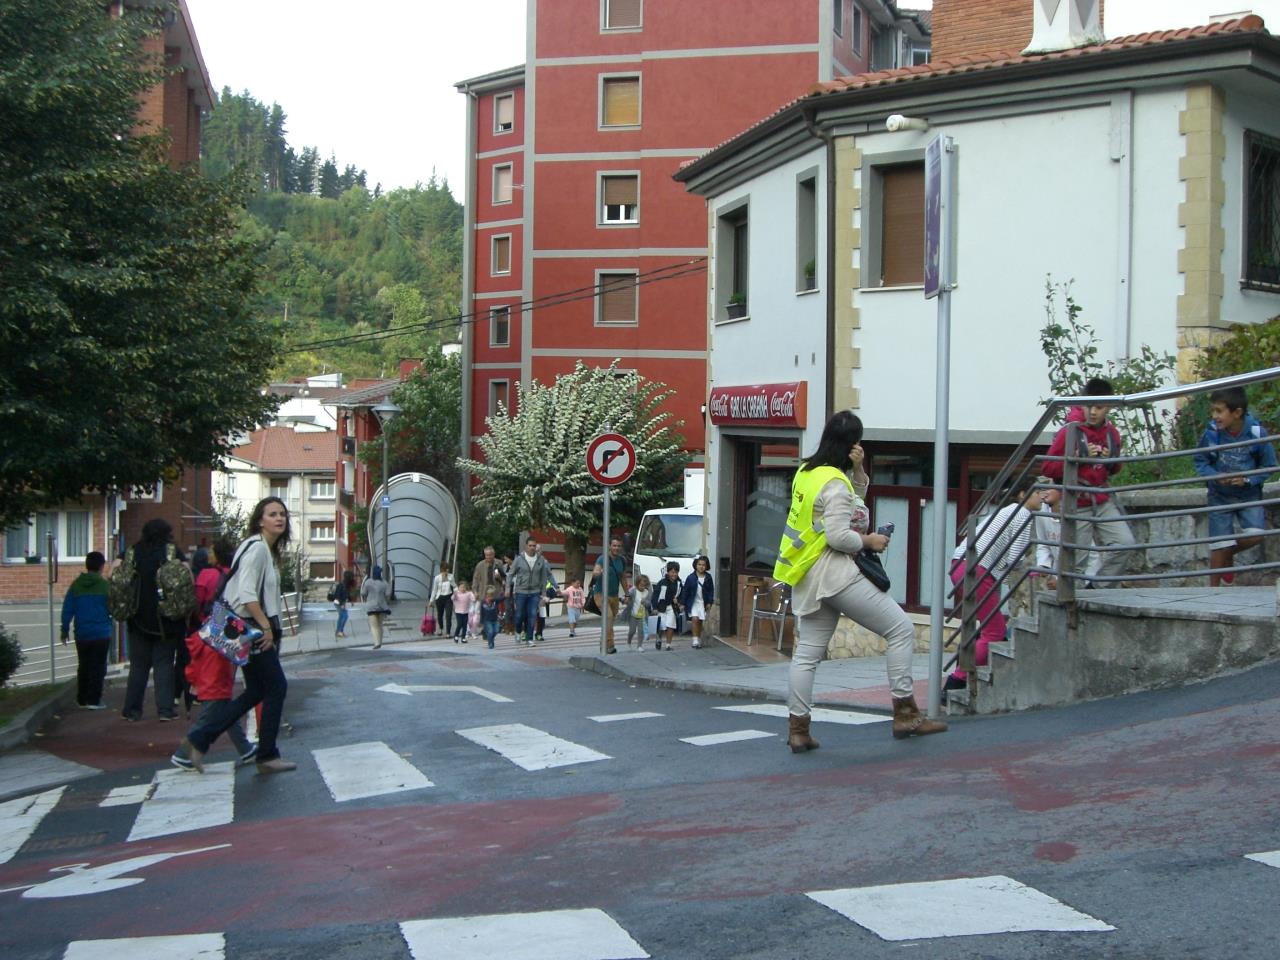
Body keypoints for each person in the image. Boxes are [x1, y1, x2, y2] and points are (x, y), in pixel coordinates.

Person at [775, 410, 946, 749]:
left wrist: (857, 472)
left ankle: (798, 731)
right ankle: (906, 714)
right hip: (835, 573)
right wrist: (869, 541)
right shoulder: (835, 484)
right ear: (852, 444)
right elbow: (840, 535)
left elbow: (846, 509)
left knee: (806, 655)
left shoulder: (806, 473)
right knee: (901, 629)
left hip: (806, 574)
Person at [178, 496, 296, 774]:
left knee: (256, 690)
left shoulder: (257, 546)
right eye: (272, 514)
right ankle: (266, 755)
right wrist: (265, 626)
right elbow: (246, 593)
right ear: (260, 520)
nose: (279, 518)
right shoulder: (258, 549)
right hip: (252, 629)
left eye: (282, 514)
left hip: (244, 626)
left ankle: (199, 739)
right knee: (276, 687)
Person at [943, 479, 1050, 694]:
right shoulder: (1022, 514)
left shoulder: (1006, 511)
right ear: (1022, 495)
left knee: (983, 628)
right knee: (995, 632)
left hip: (962, 564)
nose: (1042, 496)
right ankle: (957, 681)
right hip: (978, 570)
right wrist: (1028, 572)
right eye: (1037, 492)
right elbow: (1015, 557)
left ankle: (965, 677)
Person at [170, 535, 256, 770]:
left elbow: (197, 602)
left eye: (211, 551)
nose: (208, 554)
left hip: (211, 632)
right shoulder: (235, 574)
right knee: (219, 699)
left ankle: (241, 749)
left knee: (218, 699)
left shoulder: (207, 575)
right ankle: (189, 752)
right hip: (227, 633)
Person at [1040, 377, 1136, 587]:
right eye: (1088, 406)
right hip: (1077, 502)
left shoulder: (1112, 434)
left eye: (1098, 407)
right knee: (1076, 563)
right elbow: (1047, 468)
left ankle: (1095, 588)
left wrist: (1111, 459)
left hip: (1101, 499)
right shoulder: (1070, 431)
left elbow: (1114, 469)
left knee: (1125, 543)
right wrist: (1077, 457)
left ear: (1108, 408)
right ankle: (1070, 602)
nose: (1092, 412)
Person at [1193, 386, 1278, 586]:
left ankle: (1228, 554)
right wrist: (1215, 476)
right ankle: (1212, 591)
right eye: (1213, 411)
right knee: (1219, 544)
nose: (1214, 416)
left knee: (1256, 535)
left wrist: (1247, 479)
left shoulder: (1256, 433)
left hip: (1248, 495)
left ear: (1237, 412)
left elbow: (1269, 465)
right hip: (1219, 496)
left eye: (1219, 411)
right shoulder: (1212, 434)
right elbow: (1201, 461)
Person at [121, 518, 187, 722]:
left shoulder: (132, 552)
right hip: (166, 619)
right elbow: (188, 578)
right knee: (164, 664)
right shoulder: (172, 552)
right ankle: (165, 710)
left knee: (138, 666)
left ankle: (132, 710)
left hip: (137, 618)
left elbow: (114, 572)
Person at [59, 550, 113, 709]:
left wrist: (64, 630)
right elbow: (113, 607)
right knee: (98, 666)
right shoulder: (105, 586)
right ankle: (94, 700)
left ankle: (82, 698)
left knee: (83, 665)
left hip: (82, 633)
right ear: (102, 566)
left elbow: (67, 609)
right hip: (101, 632)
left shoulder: (76, 585)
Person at [508, 536, 558, 645]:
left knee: (532, 615)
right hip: (521, 591)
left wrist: (543, 593)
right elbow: (510, 574)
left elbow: (544, 577)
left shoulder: (541, 560)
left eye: (534, 546)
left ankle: (529, 638)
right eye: (530, 546)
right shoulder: (519, 559)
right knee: (519, 615)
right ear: (526, 546)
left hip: (535, 592)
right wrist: (508, 588)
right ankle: (518, 631)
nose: (532, 548)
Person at [591, 536, 627, 654]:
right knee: (609, 617)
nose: (616, 548)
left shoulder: (622, 560)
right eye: (614, 545)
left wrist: (627, 594)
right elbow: (595, 571)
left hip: (614, 595)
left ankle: (607, 644)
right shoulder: (602, 559)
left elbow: (622, 578)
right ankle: (606, 645)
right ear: (610, 546)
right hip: (600, 594)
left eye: (618, 546)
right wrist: (597, 573)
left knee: (610, 621)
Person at [680, 555, 715, 650]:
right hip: (693, 602)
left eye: (703, 565)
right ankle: (695, 640)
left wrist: (710, 602)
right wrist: (682, 603)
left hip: (703, 602)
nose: (701, 567)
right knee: (695, 619)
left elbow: (711, 590)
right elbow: (685, 591)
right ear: (696, 565)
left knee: (700, 621)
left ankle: (698, 638)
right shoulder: (690, 577)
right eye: (699, 564)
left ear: (706, 566)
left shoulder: (708, 577)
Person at [652, 562, 682, 651]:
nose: (674, 574)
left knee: (670, 625)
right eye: (672, 572)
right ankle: (659, 639)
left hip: (672, 607)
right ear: (668, 572)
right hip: (661, 607)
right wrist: (654, 607)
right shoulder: (662, 582)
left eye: (676, 572)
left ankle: (668, 645)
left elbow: (682, 594)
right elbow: (655, 595)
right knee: (661, 626)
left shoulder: (679, 583)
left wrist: (679, 601)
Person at [362, 565, 392, 649]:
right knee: (380, 625)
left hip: (371, 607)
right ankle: (380, 642)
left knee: (374, 626)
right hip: (382, 607)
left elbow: (363, 593)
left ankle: (376, 643)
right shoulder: (384, 583)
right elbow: (388, 594)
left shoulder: (368, 582)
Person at [624, 574, 652, 650]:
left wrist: (645, 602)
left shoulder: (647, 592)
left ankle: (639, 646)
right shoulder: (633, 590)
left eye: (644, 586)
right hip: (633, 614)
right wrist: (624, 599)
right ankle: (629, 641)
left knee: (641, 631)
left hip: (642, 615)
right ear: (637, 584)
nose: (642, 587)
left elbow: (649, 604)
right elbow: (627, 596)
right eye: (641, 585)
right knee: (632, 631)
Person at [430, 562, 456, 636]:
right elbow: (434, 590)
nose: (446, 572)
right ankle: (441, 629)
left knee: (448, 615)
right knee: (440, 614)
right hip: (439, 598)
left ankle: (448, 632)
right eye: (445, 570)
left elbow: (455, 586)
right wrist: (431, 601)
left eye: (447, 570)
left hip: (448, 597)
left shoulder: (451, 576)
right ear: (441, 569)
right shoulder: (437, 578)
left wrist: (458, 594)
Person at [333, 569, 355, 638]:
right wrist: (341, 604)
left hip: (341, 603)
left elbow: (347, 594)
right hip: (338, 603)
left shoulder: (346, 585)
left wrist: (350, 601)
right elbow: (337, 595)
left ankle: (338, 631)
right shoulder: (341, 585)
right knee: (345, 616)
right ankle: (340, 631)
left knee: (341, 616)